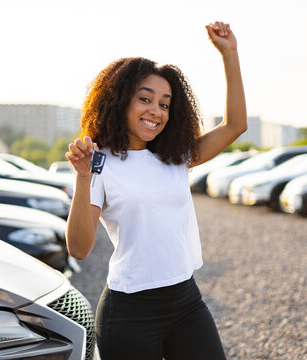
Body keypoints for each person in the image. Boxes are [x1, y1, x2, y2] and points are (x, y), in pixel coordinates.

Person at [65, 21, 246, 360]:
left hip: (185, 301)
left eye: (165, 103)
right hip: (129, 313)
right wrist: (83, 178)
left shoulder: (174, 156)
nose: (156, 111)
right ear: (119, 102)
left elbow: (236, 125)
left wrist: (230, 54)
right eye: (145, 99)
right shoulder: (98, 162)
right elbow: (78, 248)